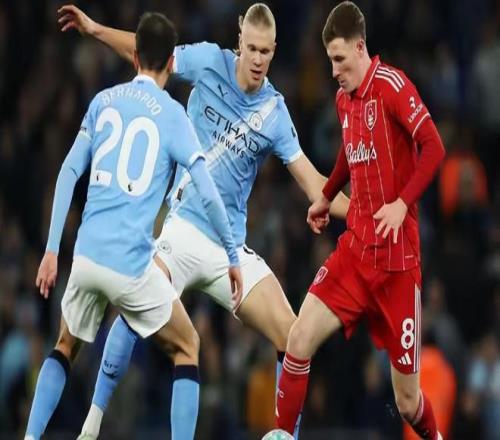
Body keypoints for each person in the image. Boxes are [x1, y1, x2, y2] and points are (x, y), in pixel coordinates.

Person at [57, 3, 350, 438]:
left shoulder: (274, 112)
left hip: (228, 250)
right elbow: (150, 54)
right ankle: (92, 425)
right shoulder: (209, 61)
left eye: (266, 52)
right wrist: (96, 29)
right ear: (239, 40)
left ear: (274, 50)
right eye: (251, 48)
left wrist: (367, 213)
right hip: (181, 229)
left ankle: (285, 435)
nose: (257, 59)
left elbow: (313, 183)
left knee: (293, 336)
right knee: (133, 307)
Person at [24, 12, 242, 440]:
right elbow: (208, 192)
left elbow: (68, 172)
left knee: (65, 345)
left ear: (136, 55)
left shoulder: (102, 101)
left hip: (86, 255)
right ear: (171, 63)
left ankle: (32, 437)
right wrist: (233, 254)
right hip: (131, 264)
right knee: (187, 346)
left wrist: (51, 250)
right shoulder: (174, 116)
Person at [273, 2, 445, 439]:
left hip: (397, 267)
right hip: (356, 253)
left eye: (339, 59)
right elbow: (350, 155)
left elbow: (434, 146)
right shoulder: (343, 99)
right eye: (329, 61)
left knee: (407, 403)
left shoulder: (392, 86)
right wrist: (326, 196)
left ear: (360, 47)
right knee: (298, 339)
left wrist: (403, 203)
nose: (333, 71)